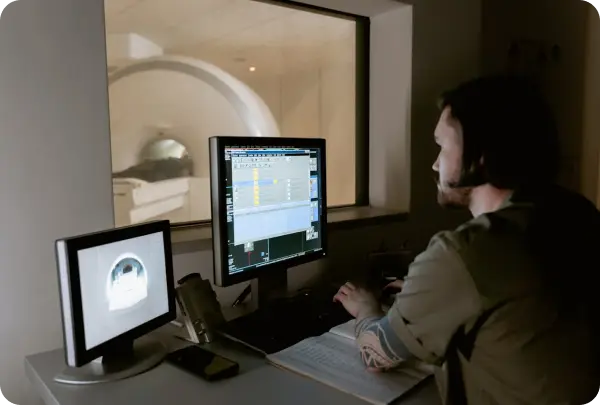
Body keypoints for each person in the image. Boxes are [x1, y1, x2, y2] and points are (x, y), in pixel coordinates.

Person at [334, 75, 599, 405]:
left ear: (481, 155)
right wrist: (428, 291)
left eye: (442, 147)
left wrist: (366, 307)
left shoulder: (463, 253)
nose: (435, 163)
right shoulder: (577, 210)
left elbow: (376, 354)